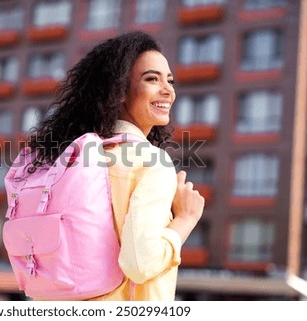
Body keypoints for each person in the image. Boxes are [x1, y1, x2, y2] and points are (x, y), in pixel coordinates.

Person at [27, 31, 205, 300]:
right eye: (152, 79)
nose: (168, 90)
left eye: (169, 80)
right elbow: (140, 264)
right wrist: (185, 219)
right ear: (120, 91)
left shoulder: (70, 158)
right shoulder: (151, 162)